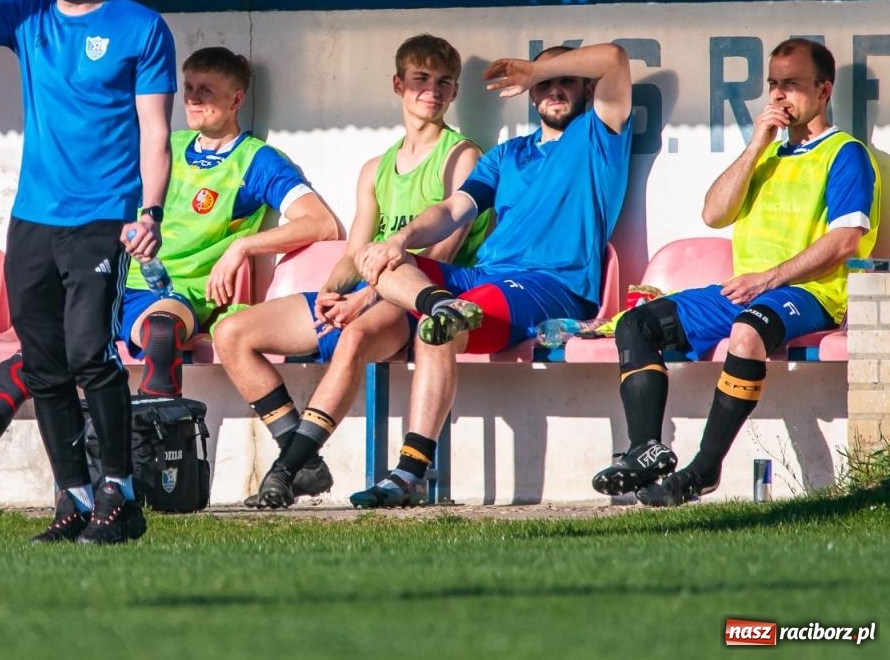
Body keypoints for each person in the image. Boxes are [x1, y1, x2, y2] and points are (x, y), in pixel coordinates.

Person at [0, 45, 339, 508]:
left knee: (161, 334)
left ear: (236, 99)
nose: (192, 99)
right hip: (114, 282)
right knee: (32, 363)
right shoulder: (165, 147)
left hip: (177, 294)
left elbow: (320, 223)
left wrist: (242, 246)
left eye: (206, 90)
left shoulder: (255, 161)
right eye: (188, 88)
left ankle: (149, 482)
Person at [251, 42, 633, 509]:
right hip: (480, 280)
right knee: (381, 264)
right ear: (532, 97)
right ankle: (290, 468)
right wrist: (399, 241)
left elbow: (614, 59)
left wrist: (534, 69)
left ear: (587, 90)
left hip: (549, 286)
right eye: (544, 84)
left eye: (566, 81)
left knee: (437, 329)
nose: (553, 90)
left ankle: (408, 473)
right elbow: (454, 210)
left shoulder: (599, 135)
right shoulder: (506, 155)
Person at [0, 0, 174, 545]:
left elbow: (155, 133)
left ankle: (119, 496)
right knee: (43, 365)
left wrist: (150, 211)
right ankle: (73, 499)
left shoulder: (140, 26)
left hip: (105, 216)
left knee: (89, 353)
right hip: (33, 218)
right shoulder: (29, 16)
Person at [593, 38, 878, 506]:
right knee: (636, 324)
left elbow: (845, 241)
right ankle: (645, 449)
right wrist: (756, 145)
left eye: (792, 84)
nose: (779, 95)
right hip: (746, 291)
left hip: (808, 293)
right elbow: (714, 213)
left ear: (824, 90)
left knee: (747, 332)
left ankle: (704, 469)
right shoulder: (765, 155)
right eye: (773, 84)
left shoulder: (845, 153)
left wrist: (769, 278)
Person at [213, 34, 492, 507]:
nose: (433, 91)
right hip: (367, 295)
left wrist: (365, 298)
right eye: (421, 79)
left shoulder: (462, 155)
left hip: (421, 299)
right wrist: (330, 291)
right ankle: (304, 459)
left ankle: (284, 472)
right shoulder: (375, 168)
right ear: (398, 85)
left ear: (455, 92)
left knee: (355, 336)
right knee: (232, 333)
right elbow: (354, 253)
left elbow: (440, 254)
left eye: (444, 82)